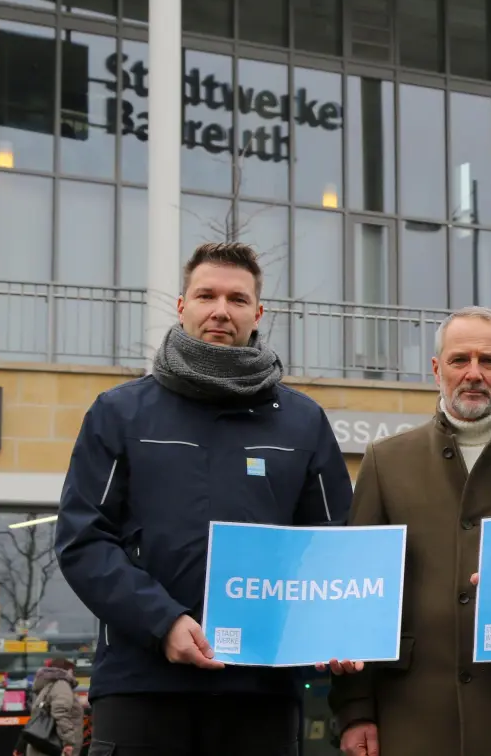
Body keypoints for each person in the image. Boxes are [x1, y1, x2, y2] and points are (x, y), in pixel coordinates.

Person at [55, 242, 354, 756]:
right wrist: (162, 621)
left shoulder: (303, 422)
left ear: (258, 313)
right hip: (141, 683)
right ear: (182, 305)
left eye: (237, 299)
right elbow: (83, 539)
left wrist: (333, 629)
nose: (220, 310)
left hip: (262, 690)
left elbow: (333, 545)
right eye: (206, 295)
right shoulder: (119, 413)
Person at [322, 306, 491, 756]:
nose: (474, 373)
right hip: (412, 716)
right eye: (459, 360)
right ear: (437, 369)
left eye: (488, 361)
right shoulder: (385, 461)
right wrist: (355, 711)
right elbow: (360, 595)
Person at [24, 658, 83, 756]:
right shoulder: (62, 684)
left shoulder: (46, 685)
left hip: (42, 746)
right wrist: (68, 742)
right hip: (56, 747)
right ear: (67, 671)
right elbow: (60, 713)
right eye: (73, 671)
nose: (73, 674)